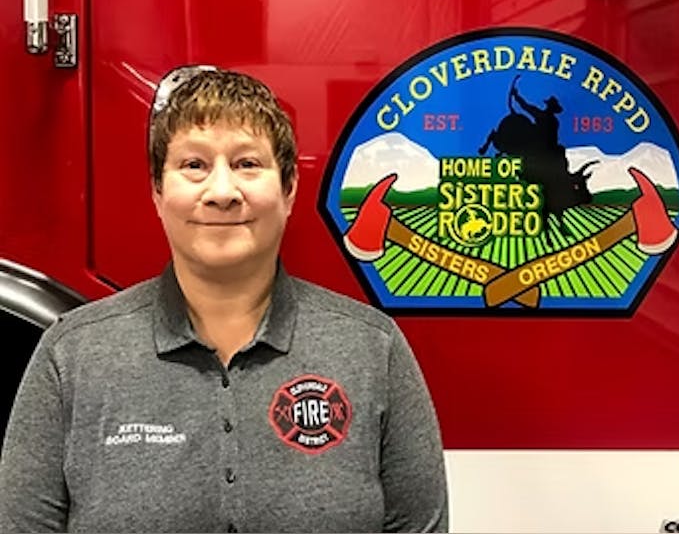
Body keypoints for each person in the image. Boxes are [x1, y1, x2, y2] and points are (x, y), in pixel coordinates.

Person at [0, 66, 448, 533]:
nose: (221, 193)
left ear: (289, 188)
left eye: (247, 164)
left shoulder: (373, 350)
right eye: (194, 165)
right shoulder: (70, 356)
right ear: (157, 191)